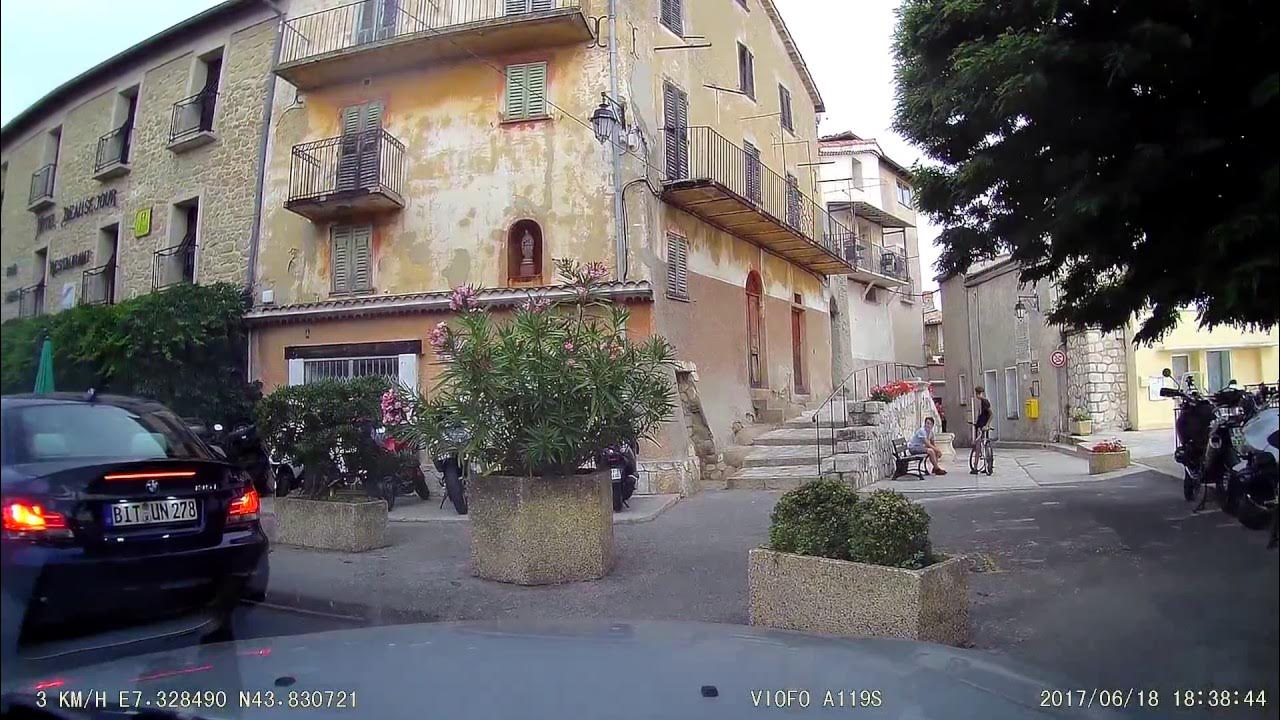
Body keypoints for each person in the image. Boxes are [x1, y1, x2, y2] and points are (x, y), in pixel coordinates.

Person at [972, 385, 993, 474]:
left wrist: (987, 425)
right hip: (981, 426)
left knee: (978, 446)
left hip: (982, 427)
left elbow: (991, 414)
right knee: (982, 446)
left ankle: (976, 467)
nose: (977, 396)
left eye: (978, 394)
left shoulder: (984, 402)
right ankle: (986, 466)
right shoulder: (981, 402)